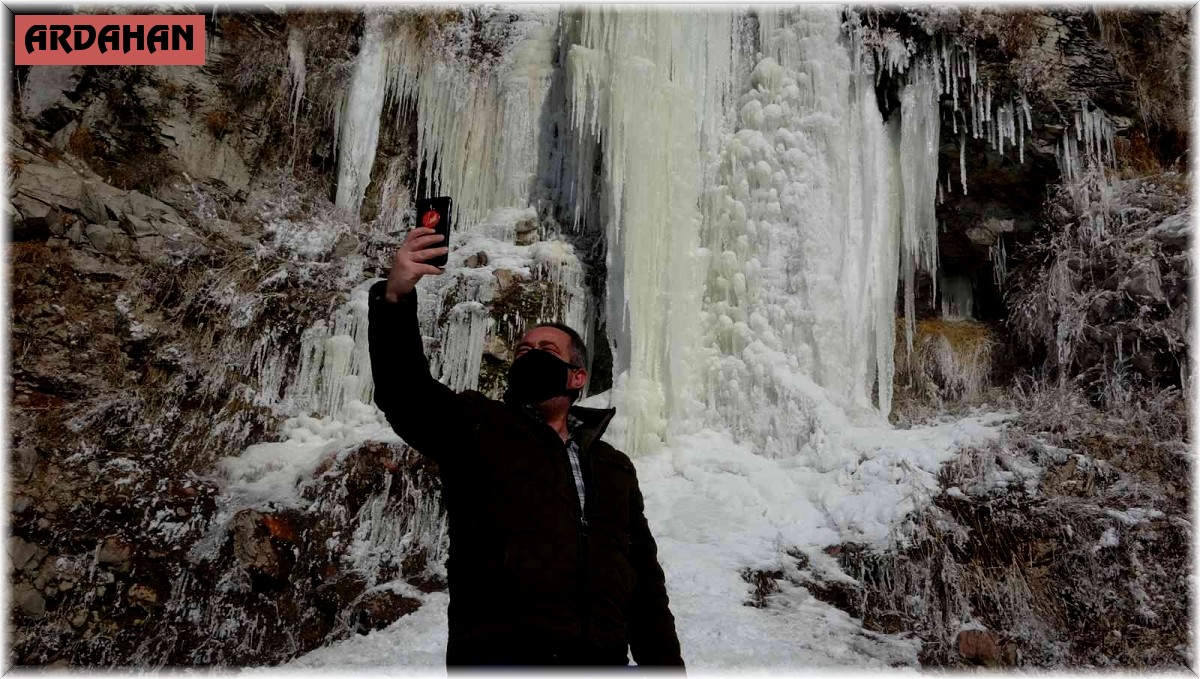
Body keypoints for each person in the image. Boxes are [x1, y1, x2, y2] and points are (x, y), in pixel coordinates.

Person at [367, 225, 685, 669]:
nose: (530, 354)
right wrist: (395, 298)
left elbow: (644, 584)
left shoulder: (613, 467)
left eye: (546, 350)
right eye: (522, 350)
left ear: (577, 377)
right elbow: (405, 392)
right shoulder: (479, 428)